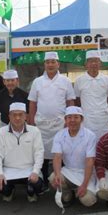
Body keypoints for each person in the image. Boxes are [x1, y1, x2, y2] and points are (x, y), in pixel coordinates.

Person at [28, 51, 75, 186]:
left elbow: (70, 102)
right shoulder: (37, 82)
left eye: (53, 62)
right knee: (40, 153)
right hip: (41, 124)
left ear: (58, 64)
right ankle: (41, 182)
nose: (50, 65)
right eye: (47, 62)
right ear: (44, 64)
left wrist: (69, 121)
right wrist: (31, 122)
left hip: (60, 124)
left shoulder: (65, 81)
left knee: (60, 153)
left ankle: (59, 180)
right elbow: (32, 103)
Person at [0, 103, 44, 202]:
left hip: (29, 169)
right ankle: (9, 190)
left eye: (20, 114)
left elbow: (39, 153)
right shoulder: (1, 132)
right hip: (9, 170)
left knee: (37, 184)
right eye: (14, 115)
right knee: (0, 186)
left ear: (26, 116)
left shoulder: (35, 131)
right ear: (9, 116)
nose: (17, 117)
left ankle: (31, 192)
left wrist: (35, 171)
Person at [49, 106, 98, 207]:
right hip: (69, 170)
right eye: (69, 117)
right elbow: (57, 157)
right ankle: (67, 193)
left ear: (82, 119)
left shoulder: (90, 136)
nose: (72, 120)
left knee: (88, 201)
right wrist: (58, 174)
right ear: (65, 120)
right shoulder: (59, 135)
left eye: (76, 117)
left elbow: (90, 161)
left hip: (85, 173)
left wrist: (84, 185)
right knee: (53, 177)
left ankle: (80, 189)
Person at [74, 50, 108, 139]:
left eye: (96, 61)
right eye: (90, 61)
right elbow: (77, 99)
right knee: (87, 140)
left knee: (104, 140)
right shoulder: (79, 80)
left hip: (103, 117)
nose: (93, 64)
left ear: (100, 63)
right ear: (86, 64)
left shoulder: (107, 79)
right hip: (87, 117)